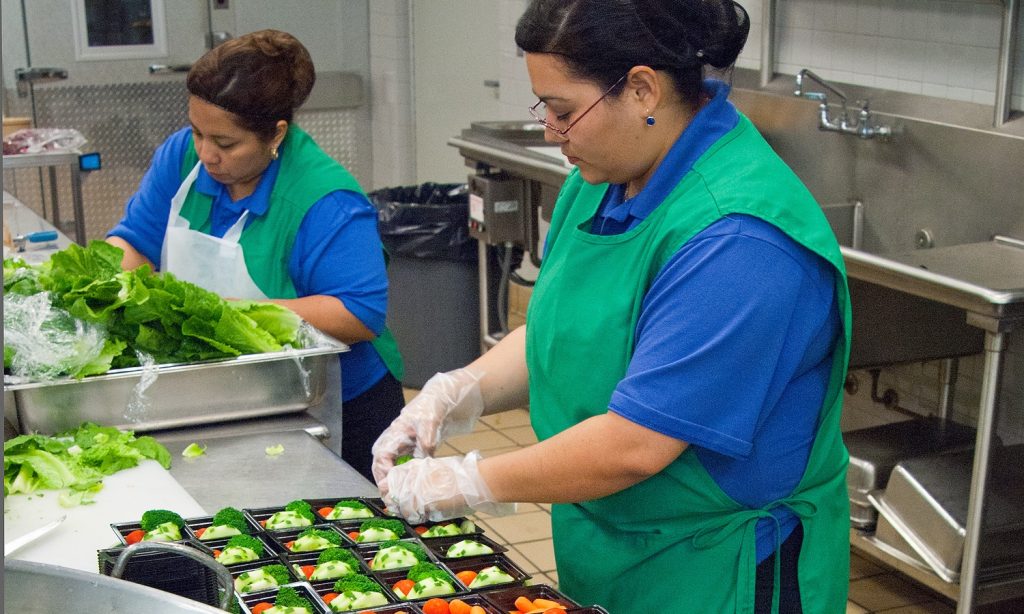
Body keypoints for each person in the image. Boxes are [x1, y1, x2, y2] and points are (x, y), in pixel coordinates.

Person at [373, 1, 853, 612]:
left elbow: (635, 444)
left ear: (642, 89)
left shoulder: (740, 242)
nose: (550, 130)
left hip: (718, 567)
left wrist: (469, 482)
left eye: (564, 110)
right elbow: (561, 329)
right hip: (616, 541)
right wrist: (460, 390)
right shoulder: (603, 179)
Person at [106, 29, 405, 481]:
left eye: (225, 144)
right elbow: (134, 241)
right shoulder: (181, 159)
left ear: (276, 135)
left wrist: (222, 314)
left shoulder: (326, 201)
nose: (206, 153)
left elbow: (358, 314)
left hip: (331, 406)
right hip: (227, 396)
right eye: (197, 132)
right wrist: (111, 291)